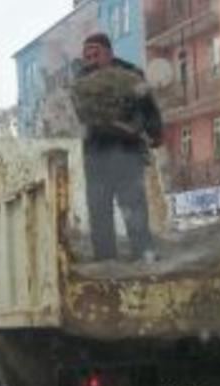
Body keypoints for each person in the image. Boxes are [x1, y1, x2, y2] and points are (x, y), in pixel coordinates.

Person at [74, 32, 163, 262]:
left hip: (127, 153)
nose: (91, 59)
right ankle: (106, 263)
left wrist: (155, 132)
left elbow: (148, 107)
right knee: (98, 211)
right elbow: (77, 114)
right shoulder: (81, 81)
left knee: (133, 208)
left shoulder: (131, 74)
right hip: (95, 155)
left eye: (96, 53)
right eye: (87, 55)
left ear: (109, 53)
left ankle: (145, 258)